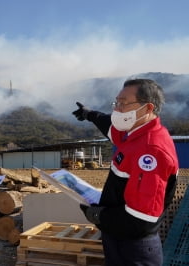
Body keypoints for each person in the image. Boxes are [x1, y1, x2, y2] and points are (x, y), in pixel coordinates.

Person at [72, 78, 179, 266]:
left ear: (148, 108)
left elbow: (141, 220)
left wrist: (98, 215)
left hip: (134, 249)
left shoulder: (150, 150)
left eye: (123, 103)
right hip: (119, 239)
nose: (117, 109)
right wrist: (89, 114)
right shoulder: (135, 132)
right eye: (117, 102)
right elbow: (111, 128)